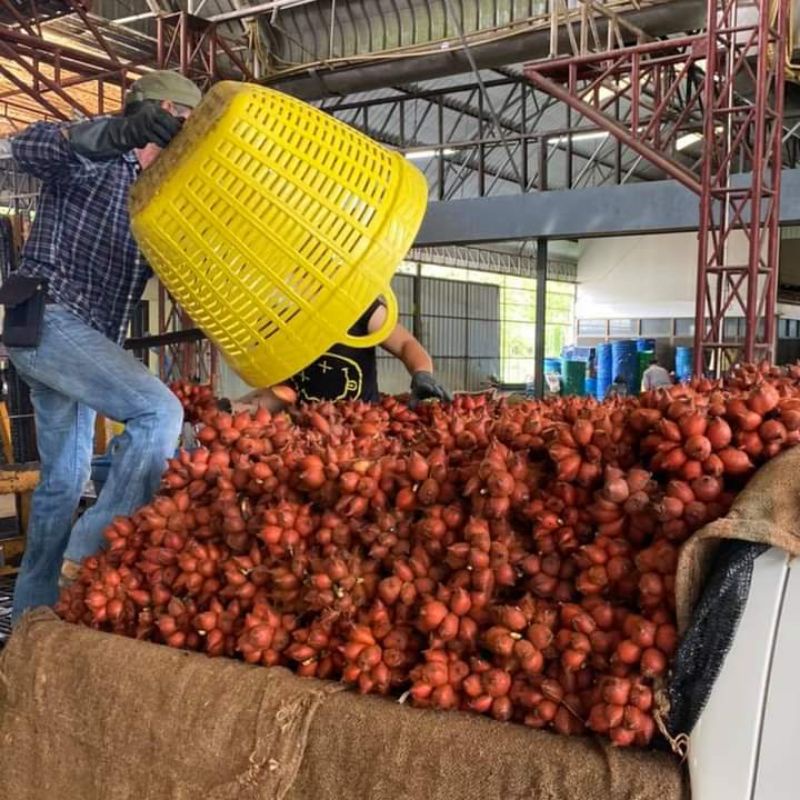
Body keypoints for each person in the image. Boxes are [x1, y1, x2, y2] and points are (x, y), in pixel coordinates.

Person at [1, 71, 203, 620]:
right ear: (163, 114)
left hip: (72, 344)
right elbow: (24, 147)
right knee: (159, 411)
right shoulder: (97, 159)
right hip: (49, 321)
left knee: (62, 486)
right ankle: (90, 554)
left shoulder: (155, 197)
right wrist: (112, 133)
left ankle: (27, 633)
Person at [234, 299, 450, 410]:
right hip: (308, 439)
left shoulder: (358, 306)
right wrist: (235, 408)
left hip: (365, 430)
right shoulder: (284, 319)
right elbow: (285, 391)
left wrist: (422, 374)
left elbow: (405, 343)